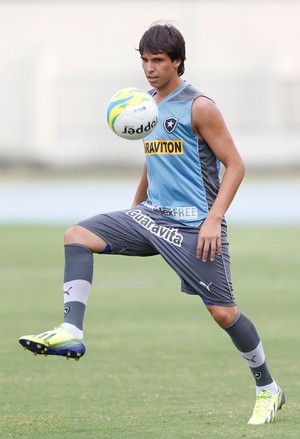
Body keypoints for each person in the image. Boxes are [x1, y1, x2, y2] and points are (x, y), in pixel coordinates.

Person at [19, 22, 284, 425]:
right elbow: (153, 160)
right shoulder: (144, 105)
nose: (149, 68)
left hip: (197, 227)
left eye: (157, 60)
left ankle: (268, 388)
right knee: (76, 235)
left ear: (177, 61)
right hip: (152, 216)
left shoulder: (199, 107)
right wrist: (135, 208)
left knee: (223, 314)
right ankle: (72, 330)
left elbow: (236, 165)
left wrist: (215, 219)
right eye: (144, 60)